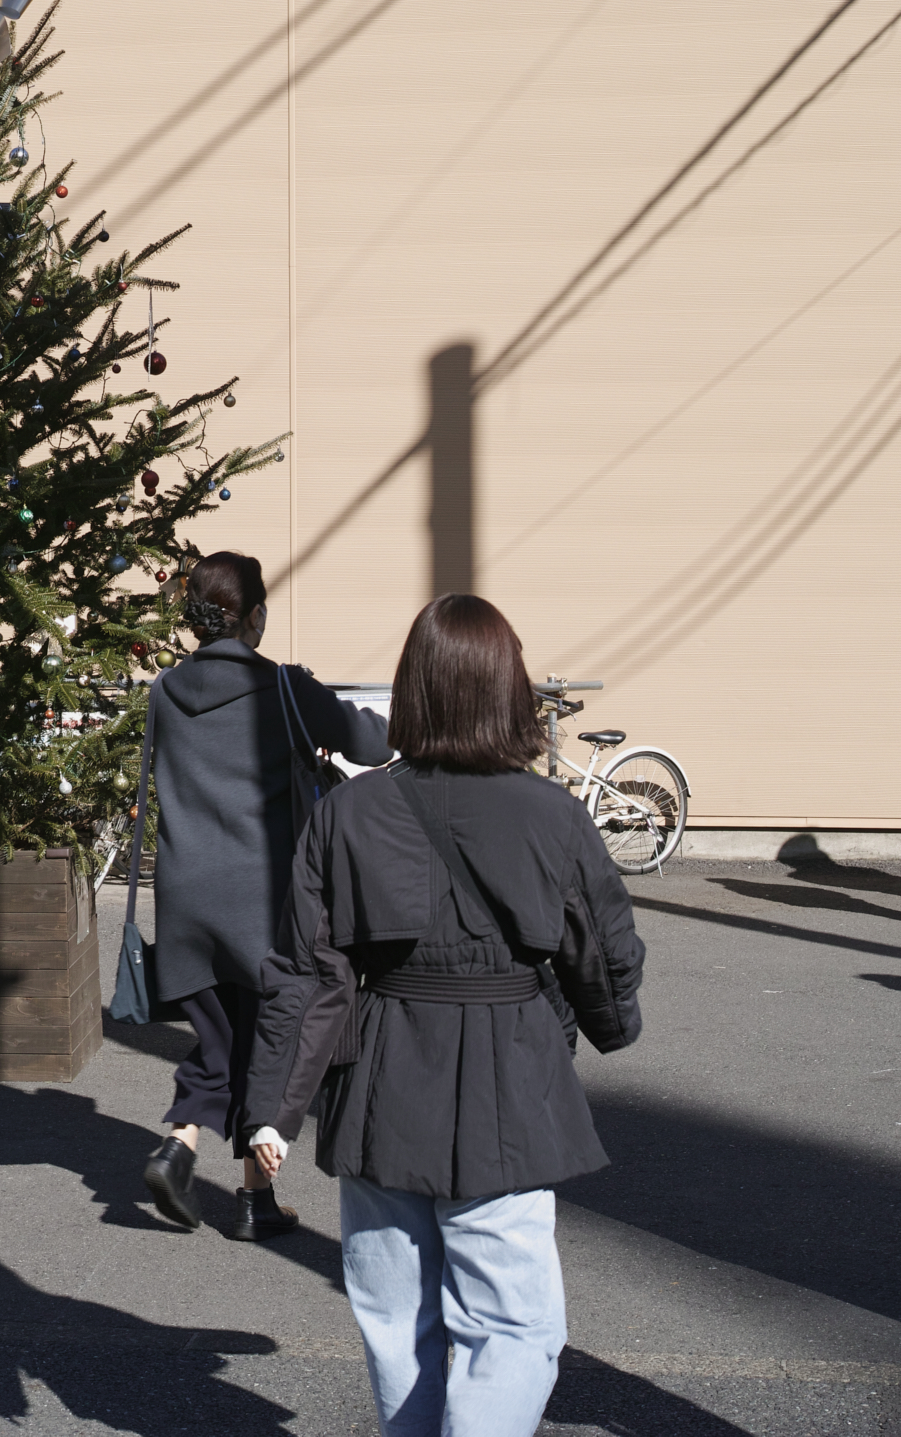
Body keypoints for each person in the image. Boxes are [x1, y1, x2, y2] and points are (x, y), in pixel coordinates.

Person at [242, 594, 644, 1437]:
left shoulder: (347, 813)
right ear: (510, 691)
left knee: (396, 1325)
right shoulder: (554, 815)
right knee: (513, 1327)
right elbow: (603, 953)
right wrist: (611, 1022)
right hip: (511, 1075)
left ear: (412, 692)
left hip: (382, 1078)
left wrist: (271, 1107)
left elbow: (308, 971)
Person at [137, 552, 389, 1242]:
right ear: (253, 616)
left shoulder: (165, 689)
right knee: (270, 1039)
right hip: (266, 896)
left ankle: (181, 1146)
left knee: (221, 1037)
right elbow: (369, 742)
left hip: (186, 894)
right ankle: (252, 1200)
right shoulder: (283, 686)